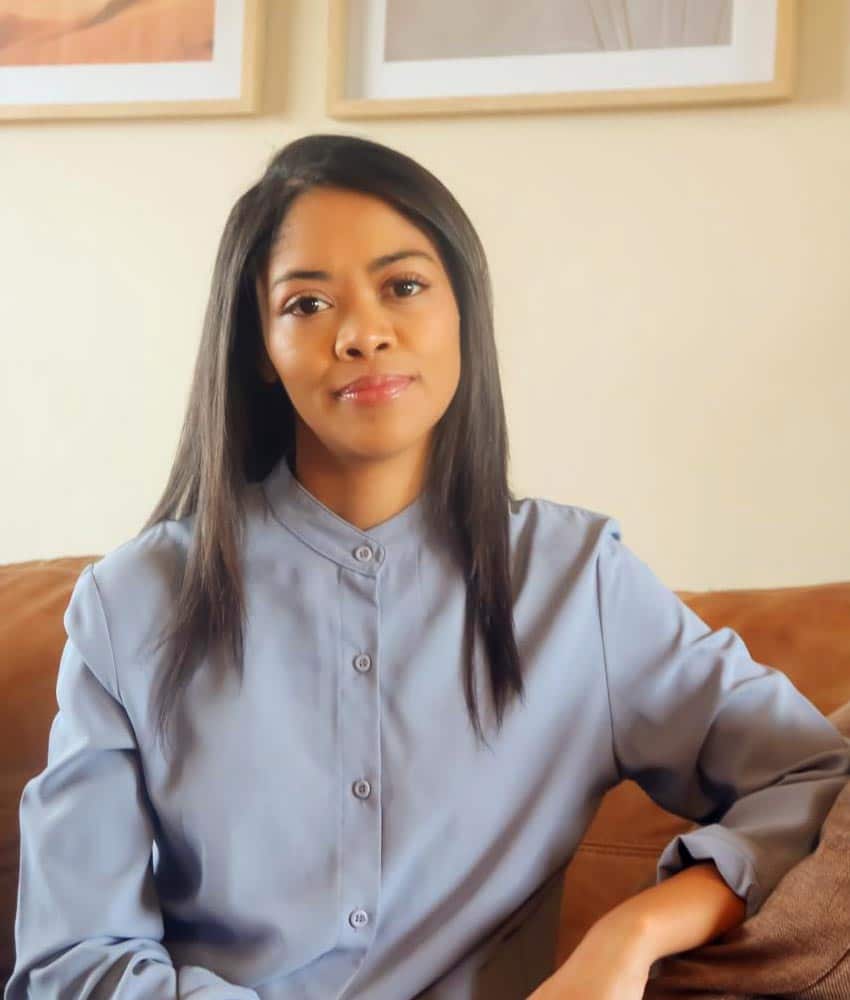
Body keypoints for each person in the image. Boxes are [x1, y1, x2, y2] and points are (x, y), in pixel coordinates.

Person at [5, 133, 848, 1000]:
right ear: (259, 347)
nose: (363, 335)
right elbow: (74, 961)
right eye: (306, 304)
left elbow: (815, 777)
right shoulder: (131, 605)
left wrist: (633, 935)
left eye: (403, 286)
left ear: (463, 313)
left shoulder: (578, 584)